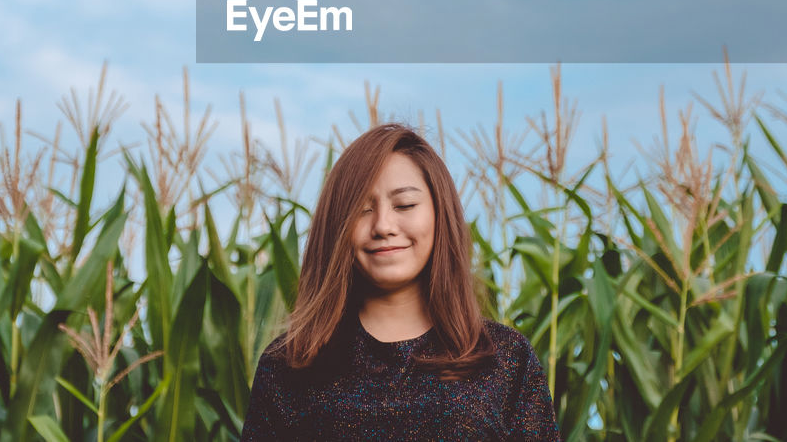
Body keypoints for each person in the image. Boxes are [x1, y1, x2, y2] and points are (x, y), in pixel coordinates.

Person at [240, 123, 561, 441]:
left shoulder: (505, 358)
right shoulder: (288, 365)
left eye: (404, 205)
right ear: (337, 226)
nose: (383, 225)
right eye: (361, 210)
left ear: (440, 214)